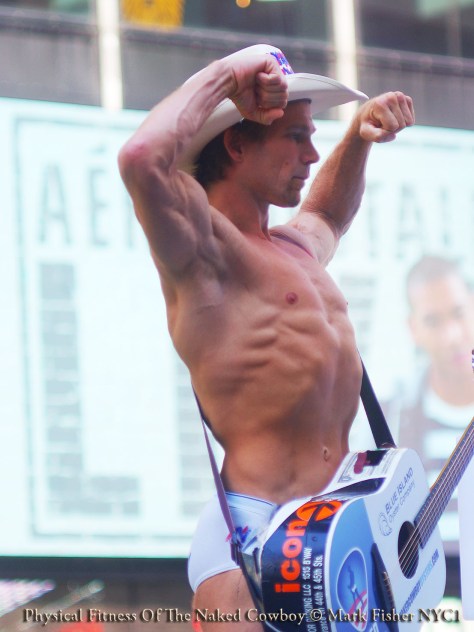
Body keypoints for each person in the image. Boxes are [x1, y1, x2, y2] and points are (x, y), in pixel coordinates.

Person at [118, 44, 414, 630]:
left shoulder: (295, 248)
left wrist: (358, 137)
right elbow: (141, 157)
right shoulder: (204, 251)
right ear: (237, 143)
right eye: (296, 137)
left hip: (336, 531)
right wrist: (231, 74)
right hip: (255, 536)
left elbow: (329, 214)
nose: (311, 154)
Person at [390, 255, 474, 546]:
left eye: (459, 313)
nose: (452, 336)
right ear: (413, 329)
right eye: (433, 321)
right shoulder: (392, 420)